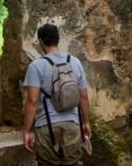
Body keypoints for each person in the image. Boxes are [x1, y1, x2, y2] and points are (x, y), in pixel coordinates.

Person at [22, 24, 91, 165]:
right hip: (72, 123)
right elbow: (83, 96)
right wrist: (85, 122)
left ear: (41, 41)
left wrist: (27, 130)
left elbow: (32, 101)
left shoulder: (36, 66)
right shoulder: (75, 62)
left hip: (46, 126)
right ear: (57, 39)